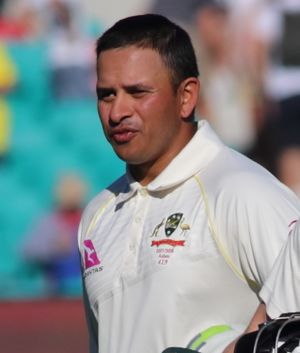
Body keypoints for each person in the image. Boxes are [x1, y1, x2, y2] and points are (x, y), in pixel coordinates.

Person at [77, 14, 300, 353]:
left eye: (137, 92)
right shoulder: (96, 216)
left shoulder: (242, 192)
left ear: (186, 96)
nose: (117, 110)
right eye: (106, 94)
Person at [23, 173, 88, 296]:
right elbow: (28, 251)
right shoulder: (49, 221)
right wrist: (53, 247)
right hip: (57, 289)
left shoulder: (89, 217)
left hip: (86, 286)